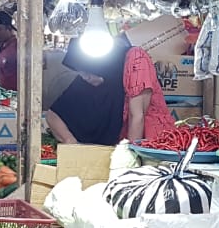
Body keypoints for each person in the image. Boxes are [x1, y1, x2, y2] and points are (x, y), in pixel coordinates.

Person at [46, 34, 177, 145]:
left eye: (86, 72)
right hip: (118, 146)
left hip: (152, 143)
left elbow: (137, 116)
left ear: (98, 64)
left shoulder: (136, 59)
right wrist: (72, 144)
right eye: (80, 73)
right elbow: (53, 115)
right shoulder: (89, 74)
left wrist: (129, 159)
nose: (85, 78)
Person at [0, 10, 18, 91]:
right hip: (4, 95)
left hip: (14, 96)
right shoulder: (3, 47)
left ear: (9, 29)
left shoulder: (17, 47)